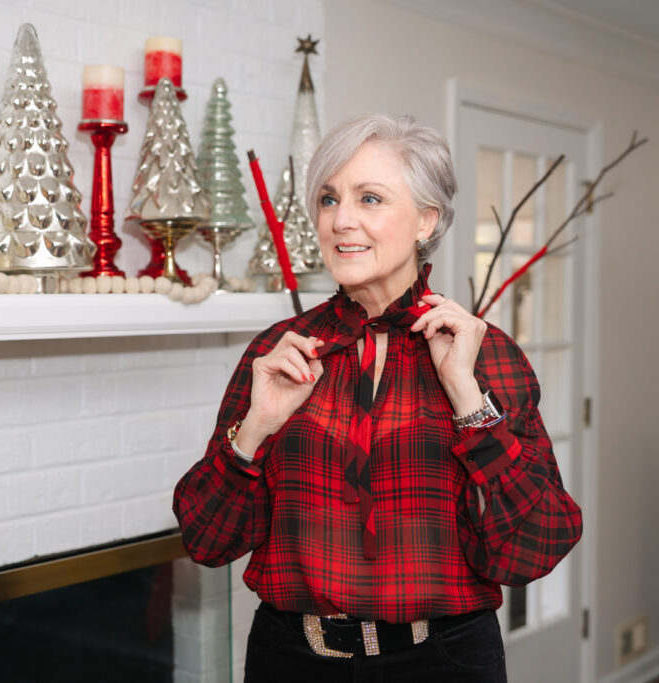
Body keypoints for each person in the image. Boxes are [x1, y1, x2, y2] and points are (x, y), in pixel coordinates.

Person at [173, 114, 582, 682]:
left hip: (443, 663)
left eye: (370, 198)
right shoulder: (281, 352)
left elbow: (535, 546)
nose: (342, 221)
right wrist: (254, 431)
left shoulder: (483, 353)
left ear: (426, 219)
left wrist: (467, 396)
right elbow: (206, 539)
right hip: (289, 659)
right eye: (329, 198)